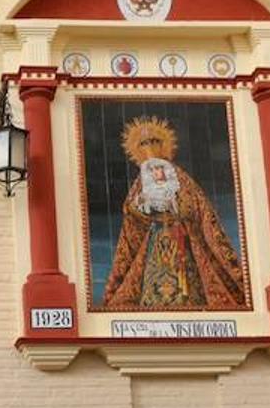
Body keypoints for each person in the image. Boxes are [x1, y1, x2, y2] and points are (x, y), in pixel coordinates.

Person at [100, 115, 248, 310]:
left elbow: (195, 205)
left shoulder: (178, 178)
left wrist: (174, 206)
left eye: (154, 141)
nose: (157, 172)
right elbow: (131, 210)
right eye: (144, 143)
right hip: (156, 237)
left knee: (185, 277)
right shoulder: (142, 182)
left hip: (181, 236)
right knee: (153, 276)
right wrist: (143, 206)